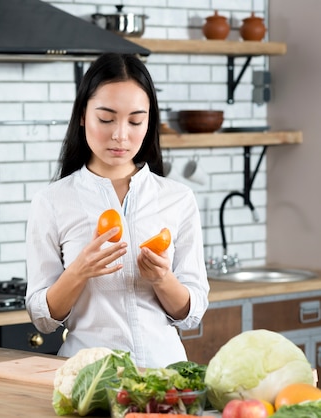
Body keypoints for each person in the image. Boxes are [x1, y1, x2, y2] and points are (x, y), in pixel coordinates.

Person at [25, 53, 209, 369]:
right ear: (83, 115)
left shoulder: (177, 198)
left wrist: (162, 279)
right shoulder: (52, 201)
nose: (120, 135)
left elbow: (190, 314)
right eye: (107, 119)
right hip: (87, 376)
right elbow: (43, 318)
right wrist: (79, 271)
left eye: (136, 120)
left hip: (164, 375)